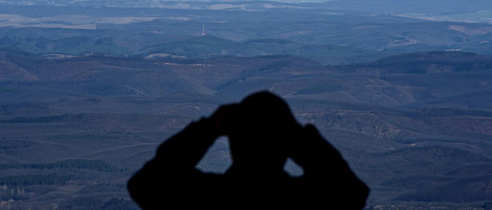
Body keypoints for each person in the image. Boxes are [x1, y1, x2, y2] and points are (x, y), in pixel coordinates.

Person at [127, 91, 370, 209]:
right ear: (286, 145)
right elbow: (352, 192)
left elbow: (146, 183)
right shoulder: (304, 201)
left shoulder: (206, 198)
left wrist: (209, 127)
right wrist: (296, 134)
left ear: (233, 141)